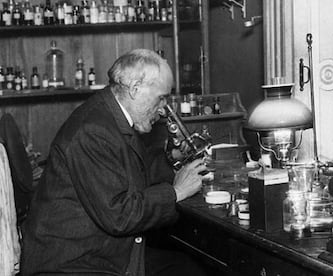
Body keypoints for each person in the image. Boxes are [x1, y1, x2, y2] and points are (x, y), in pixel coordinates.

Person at [21, 49, 207, 275]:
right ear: (136, 89)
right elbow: (120, 216)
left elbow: (136, 172)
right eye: (161, 98)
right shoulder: (93, 130)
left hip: (99, 250)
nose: (163, 109)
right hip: (71, 262)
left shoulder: (110, 116)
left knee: (186, 267)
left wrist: (172, 159)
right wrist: (176, 192)